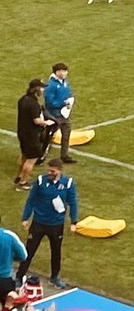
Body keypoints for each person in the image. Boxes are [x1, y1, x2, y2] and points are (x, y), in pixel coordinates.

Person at [16, 159, 77, 290]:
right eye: (48, 170)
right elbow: (31, 200)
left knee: (56, 252)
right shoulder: (40, 181)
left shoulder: (68, 184)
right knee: (29, 251)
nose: (49, 173)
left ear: (59, 171)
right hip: (38, 223)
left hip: (56, 225)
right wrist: (25, 217)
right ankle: (19, 277)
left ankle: (54, 277)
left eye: (52, 171)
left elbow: (73, 203)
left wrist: (74, 221)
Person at [13, 80, 52, 192]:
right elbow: (37, 120)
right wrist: (47, 123)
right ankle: (23, 182)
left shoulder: (23, 99)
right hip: (31, 135)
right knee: (31, 159)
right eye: (42, 88)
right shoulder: (33, 103)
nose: (43, 90)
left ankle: (19, 176)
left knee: (24, 155)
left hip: (22, 132)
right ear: (36, 89)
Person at [43, 64, 75, 165]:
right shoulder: (51, 85)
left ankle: (64, 155)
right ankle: (42, 154)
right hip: (53, 115)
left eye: (66, 71)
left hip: (64, 114)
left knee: (66, 135)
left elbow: (67, 93)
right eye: (63, 71)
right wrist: (63, 103)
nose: (65, 73)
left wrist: (69, 101)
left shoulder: (64, 82)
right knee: (48, 137)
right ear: (57, 72)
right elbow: (50, 102)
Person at [0, 217, 25, 303]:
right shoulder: (9, 236)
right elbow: (23, 255)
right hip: (5, 281)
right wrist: (11, 257)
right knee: (8, 306)